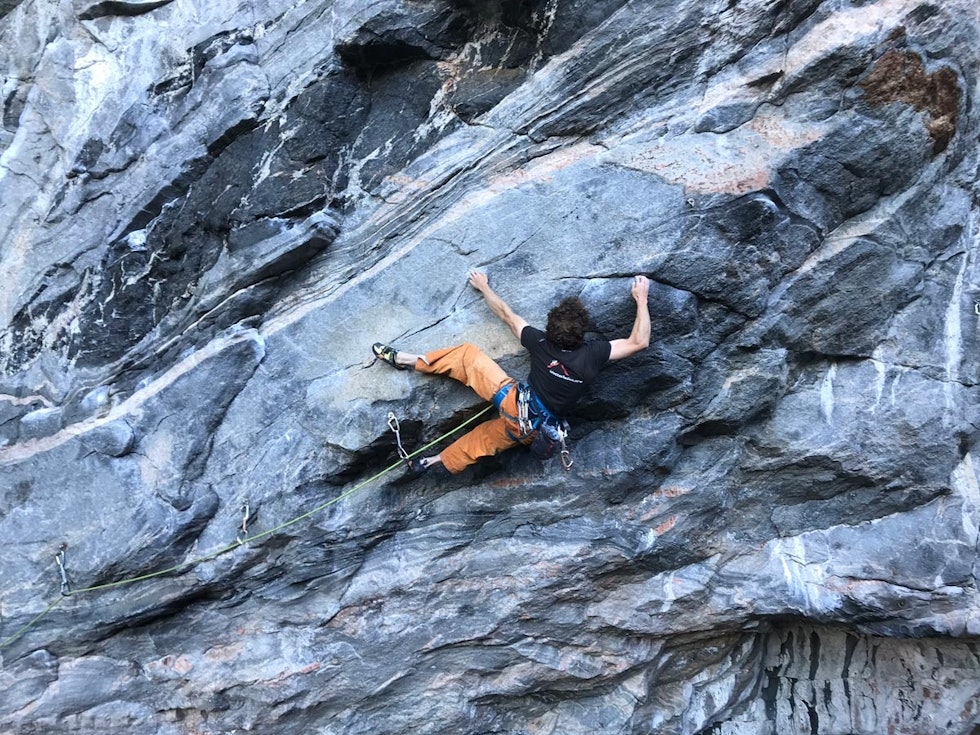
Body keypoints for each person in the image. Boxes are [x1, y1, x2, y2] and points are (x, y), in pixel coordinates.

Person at [373, 270, 651, 474]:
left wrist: (483, 287)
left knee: (466, 357)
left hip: (512, 400)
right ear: (583, 334)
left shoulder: (540, 342)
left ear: (550, 330)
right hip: (532, 430)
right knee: (481, 442)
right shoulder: (594, 354)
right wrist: (641, 299)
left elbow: (506, 314)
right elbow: (639, 342)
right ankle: (432, 462)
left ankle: (407, 360)